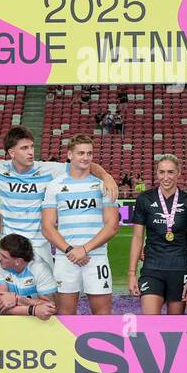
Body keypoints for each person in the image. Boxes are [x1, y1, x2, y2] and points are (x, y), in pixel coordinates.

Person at [0, 125, 118, 302]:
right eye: (24, 148)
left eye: (31, 147)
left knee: (48, 300)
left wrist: (106, 176)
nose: (30, 152)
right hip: (10, 244)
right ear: (12, 152)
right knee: (5, 297)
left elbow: (83, 163)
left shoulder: (48, 169)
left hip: (39, 246)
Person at [41, 134, 121, 315]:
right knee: (65, 316)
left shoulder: (103, 185)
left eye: (89, 153)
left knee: (103, 316)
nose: (86, 157)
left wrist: (84, 249)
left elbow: (112, 226)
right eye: (81, 153)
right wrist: (71, 250)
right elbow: (47, 227)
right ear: (70, 155)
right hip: (66, 258)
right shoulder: (55, 185)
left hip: (96, 257)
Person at [127, 153, 187, 315]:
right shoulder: (145, 199)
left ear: (178, 173)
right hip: (152, 268)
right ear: (156, 173)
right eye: (161, 172)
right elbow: (137, 238)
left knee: (174, 326)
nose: (166, 177)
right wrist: (132, 273)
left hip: (179, 269)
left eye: (170, 172)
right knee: (151, 321)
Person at [0, 234, 57, 319]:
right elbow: (1, 307)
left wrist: (19, 299)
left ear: (18, 261)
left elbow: (50, 307)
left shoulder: (41, 269)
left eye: (4, 257)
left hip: (36, 321)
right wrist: (33, 310)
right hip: (8, 319)